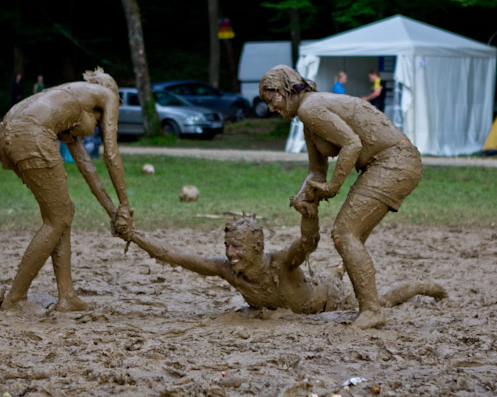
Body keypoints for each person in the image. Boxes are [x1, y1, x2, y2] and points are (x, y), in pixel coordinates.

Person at [259, 65, 422, 329]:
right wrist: (304, 196)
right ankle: (364, 300)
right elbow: (316, 170)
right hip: (387, 163)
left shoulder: (310, 108)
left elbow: (352, 144)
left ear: (286, 90)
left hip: (394, 162)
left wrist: (334, 186)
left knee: (345, 232)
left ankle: (371, 310)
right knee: (349, 231)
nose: (270, 108)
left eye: (271, 99)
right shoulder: (308, 119)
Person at [130, 203, 445, 315]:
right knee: (326, 273)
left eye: (237, 248)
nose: (230, 253)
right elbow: (173, 256)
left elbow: (308, 243)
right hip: (309, 286)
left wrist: (309, 211)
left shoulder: (280, 263)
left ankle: (423, 286)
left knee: (382, 300)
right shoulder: (225, 270)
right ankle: (338, 268)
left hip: (330, 301)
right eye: (228, 245)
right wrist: (133, 234)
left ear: (256, 248)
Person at [0, 67, 134, 312]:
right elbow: (111, 154)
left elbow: (87, 168)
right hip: (31, 133)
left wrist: (114, 212)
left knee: (62, 213)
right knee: (57, 219)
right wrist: (125, 205)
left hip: (9, 133)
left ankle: (66, 295)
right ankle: (16, 298)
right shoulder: (106, 95)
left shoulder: (70, 101)